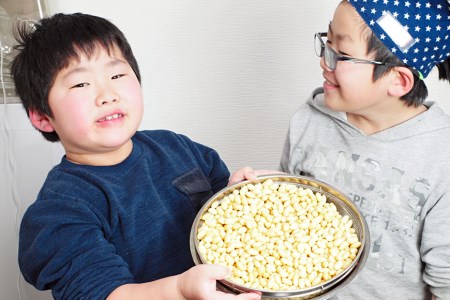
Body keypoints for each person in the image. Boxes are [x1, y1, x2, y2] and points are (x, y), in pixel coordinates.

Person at [11, 12, 261, 300]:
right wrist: (179, 290)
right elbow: (105, 294)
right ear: (43, 117)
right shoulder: (59, 211)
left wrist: (241, 194)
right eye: (81, 84)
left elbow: (223, 222)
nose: (107, 94)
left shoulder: (177, 146)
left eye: (117, 75)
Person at [279, 0, 450, 299]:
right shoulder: (307, 122)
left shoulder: (441, 157)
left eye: (342, 54)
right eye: (326, 42)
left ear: (398, 80)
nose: (324, 60)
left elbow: (445, 282)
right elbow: (283, 222)